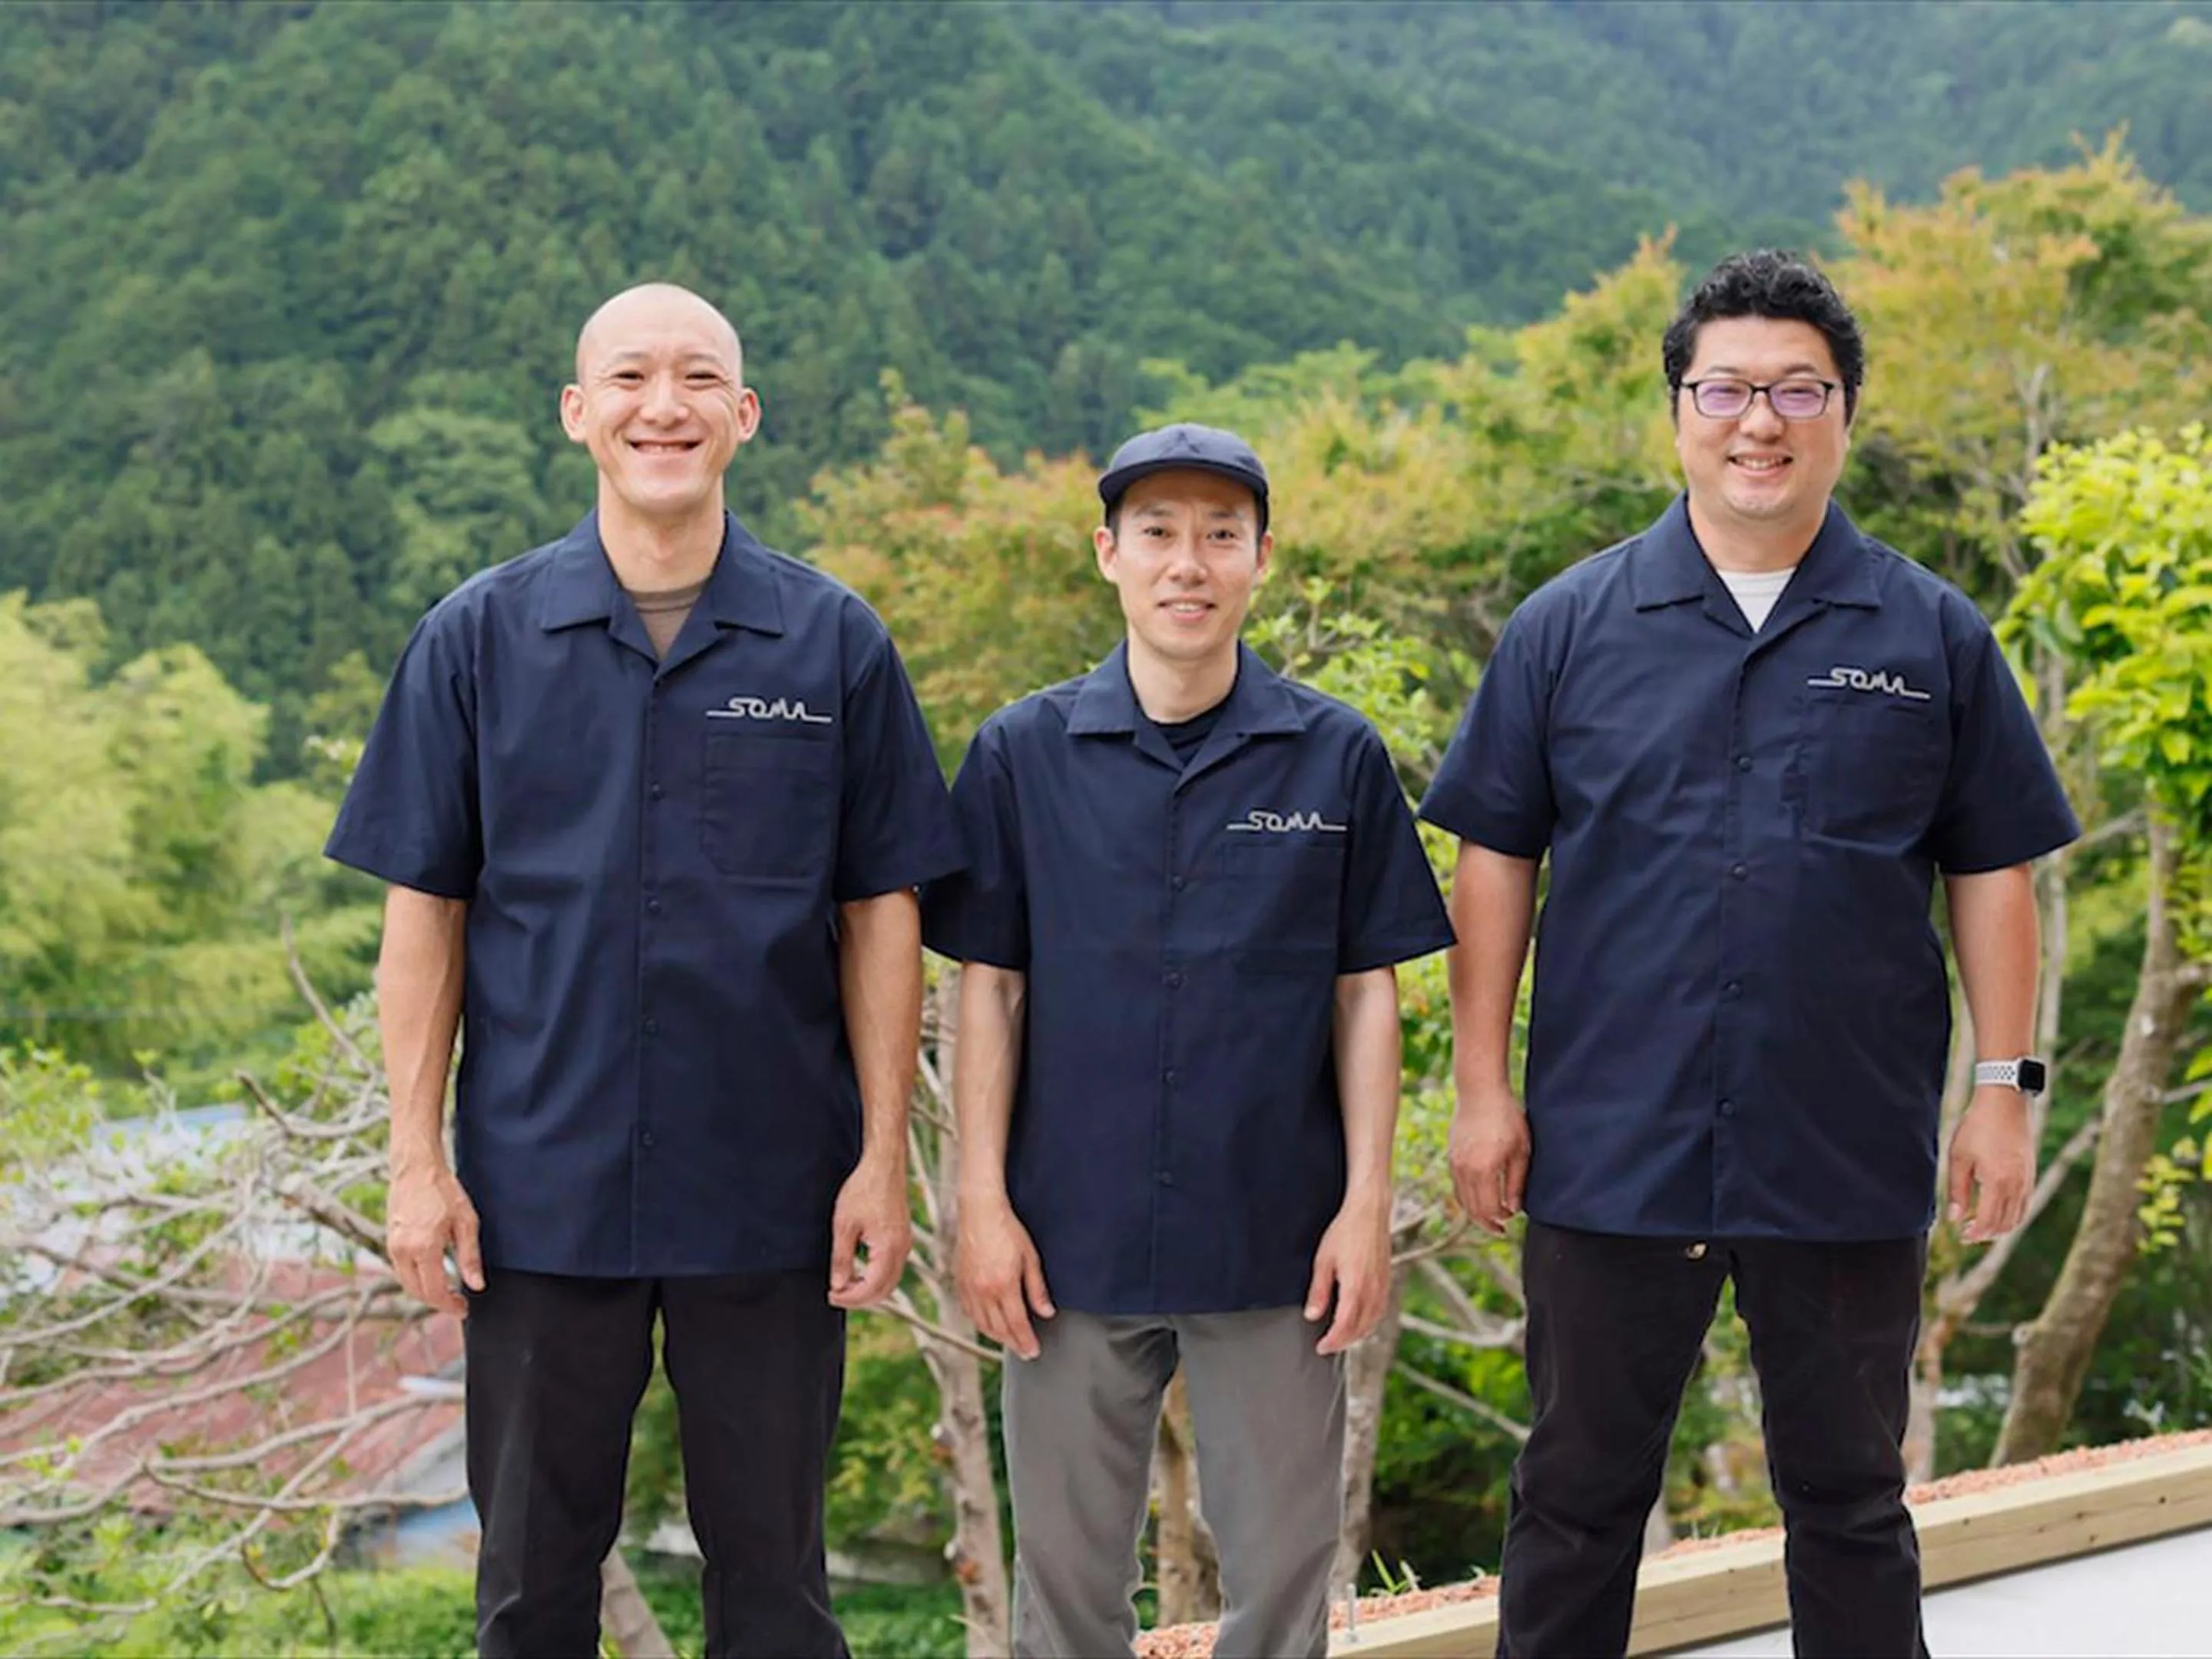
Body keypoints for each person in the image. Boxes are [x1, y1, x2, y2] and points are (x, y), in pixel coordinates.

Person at [1419, 250, 2079, 1658]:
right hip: (1611, 1144)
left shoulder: (1932, 635)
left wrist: (2006, 1087)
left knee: (1848, 1501)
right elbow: (1495, 863)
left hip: (1840, 1147)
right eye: (1725, 388)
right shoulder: (1567, 629)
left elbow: (1992, 869)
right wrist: (1485, 1088)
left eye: (1798, 389)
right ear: (1678, 411)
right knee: (1579, 1494)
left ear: (1846, 413)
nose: (1758, 420)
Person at [326, 283, 962, 1659]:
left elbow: (882, 914)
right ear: (577, 413)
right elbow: (424, 915)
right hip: (537, 1190)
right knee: (531, 1587)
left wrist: (880, 1160)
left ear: (742, 415)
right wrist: (413, 1161)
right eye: (627, 378)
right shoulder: (476, 641)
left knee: (779, 1588)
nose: (659, 406)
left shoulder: (832, 642)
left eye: (694, 380)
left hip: (773, 1189)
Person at [924, 423, 1455, 1658]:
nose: (1189, 562)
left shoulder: (1335, 754)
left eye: (1222, 534)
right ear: (1107, 554)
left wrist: (1366, 1204)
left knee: (1280, 1587)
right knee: (1064, 1593)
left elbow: (1362, 991)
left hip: (1276, 1238)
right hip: (1067, 1239)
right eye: (1158, 533)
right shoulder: (1020, 754)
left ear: (1262, 560)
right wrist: (980, 1202)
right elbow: (985, 991)